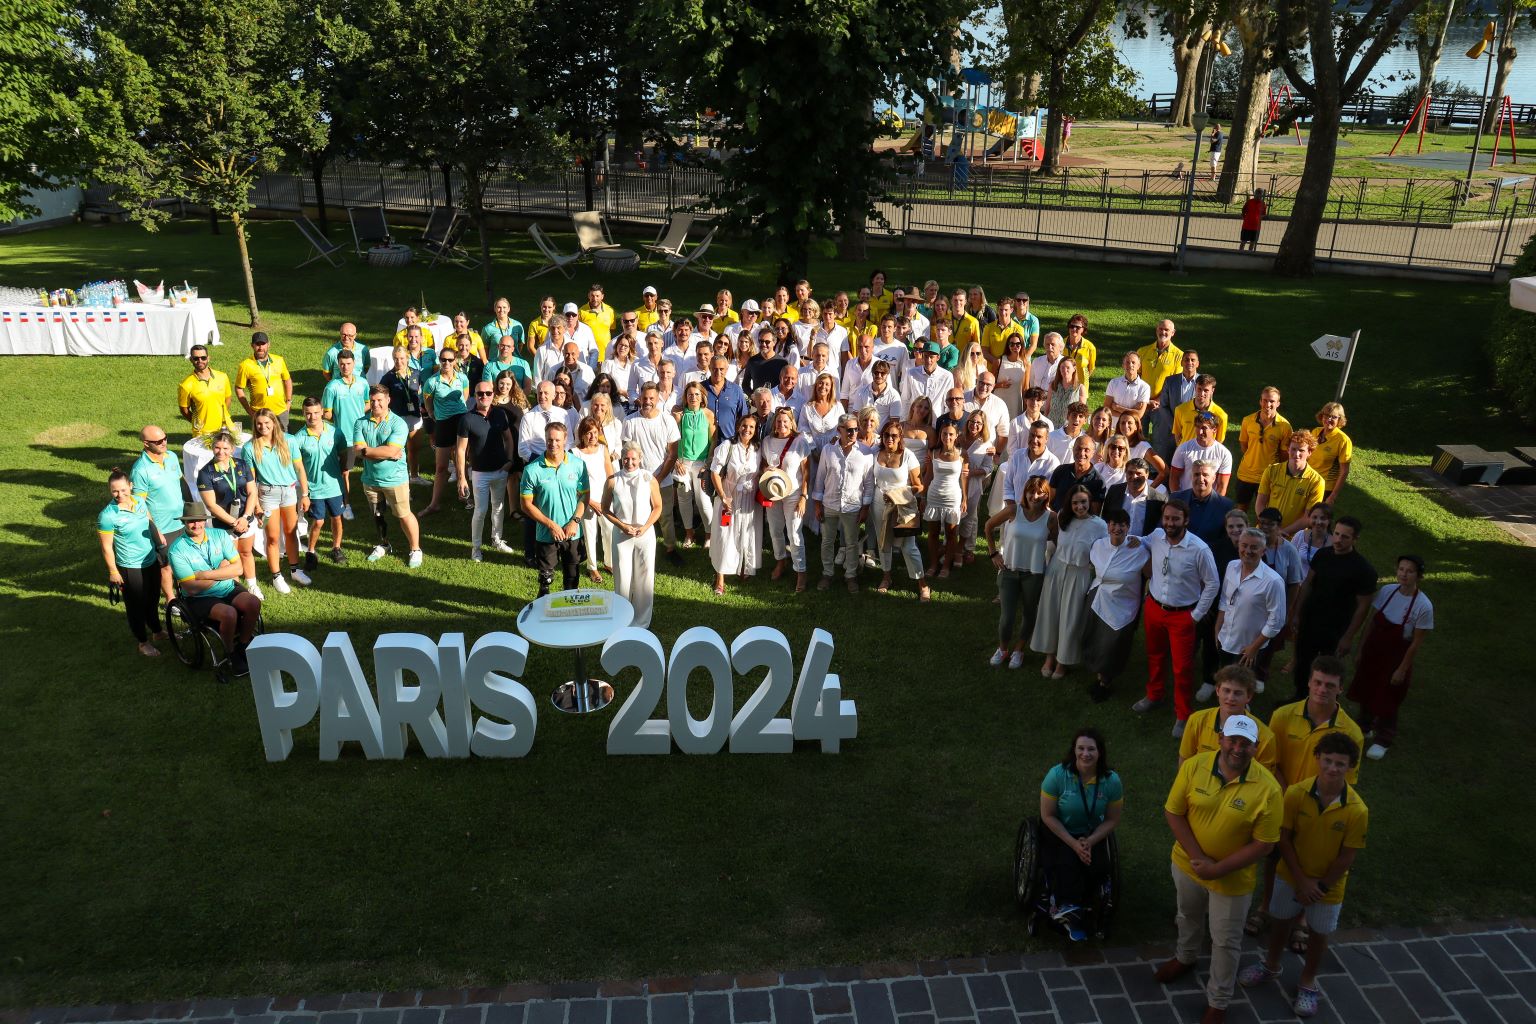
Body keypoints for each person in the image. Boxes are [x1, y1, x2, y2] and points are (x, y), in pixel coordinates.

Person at [1156, 713, 1282, 1024]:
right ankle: (1185, 958)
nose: (1238, 748)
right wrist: (1200, 859)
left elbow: (1264, 844)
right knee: (1187, 915)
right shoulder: (1193, 766)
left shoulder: (1269, 789)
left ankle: (1219, 1000)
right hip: (1188, 864)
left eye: (1246, 744)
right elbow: (1174, 812)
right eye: (1233, 740)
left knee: (1226, 940)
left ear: (1255, 748)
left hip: (1233, 879)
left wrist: (1218, 869)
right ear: (1220, 740)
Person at [1239, 732, 1367, 1019]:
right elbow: (1284, 839)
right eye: (1328, 761)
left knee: (1319, 935)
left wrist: (1318, 886)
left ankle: (1308, 981)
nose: (1333, 768)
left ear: (1350, 767)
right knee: (1280, 921)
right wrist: (1301, 879)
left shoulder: (1358, 810)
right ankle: (1271, 964)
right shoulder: (1296, 793)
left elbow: (1347, 855)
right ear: (1318, 759)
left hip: (1328, 888)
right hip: (1291, 875)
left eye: (1340, 763)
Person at [1134, 499, 1220, 737]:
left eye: (1175, 519)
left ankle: (1183, 715)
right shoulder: (1157, 536)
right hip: (1154, 607)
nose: (1170, 523)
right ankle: (1155, 694)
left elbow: (1213, 583)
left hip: (1183, 615)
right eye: (1167, 518)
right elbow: (1142, 541)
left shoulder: (1199, 549)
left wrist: (1196, 615)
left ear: (1186, 520)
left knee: (1182, 668)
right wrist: (1132, 540)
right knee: (1155, 655)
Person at [1038, 728, 1124, 941]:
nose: (1086, 754)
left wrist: (1090, 841)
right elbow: (1047, 816)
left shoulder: (1111, 781)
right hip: (1060, 830)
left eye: (1091, 749)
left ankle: (1087, 905)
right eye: (1081, 748)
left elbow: (1112, 819)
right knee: (1067, 862)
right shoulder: (1057, 775)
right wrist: (1074, 844)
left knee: (1099, 866)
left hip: (1091, 833)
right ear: (1074, 751)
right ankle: (1067, 908)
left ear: (1100, 753)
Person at [1346, 554, 1432, 760]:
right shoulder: (1387, 591)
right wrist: (1361, 650)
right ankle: (1364, 726)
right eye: (1401, 569)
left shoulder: (1423, 606)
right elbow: (1372, 623)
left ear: (1418, 576)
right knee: (1366, 689)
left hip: (1395, 659)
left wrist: (1402, 668)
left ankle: (1384, 737)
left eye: (1409, 571)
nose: (1404, 574)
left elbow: (1416, 642)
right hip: (1374, 652)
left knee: (1388, 698)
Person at [167, 501, 264, 673]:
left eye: (199, 520)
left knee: (253, 603)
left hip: (227, 587)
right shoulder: (176, 550)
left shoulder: (219, 535)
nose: (196, 524)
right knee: (229, 613)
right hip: (199, 598)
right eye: (191, 521)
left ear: (205, 520)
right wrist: (222, 571)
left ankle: (243, 643)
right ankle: (230, 653)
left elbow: (239, 568)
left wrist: (203, 575)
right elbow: (191, 588)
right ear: (184, 522)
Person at [1287, 516, 1375, 702]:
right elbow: (1308, 584)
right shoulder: (1323, 555)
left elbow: (1363, 606)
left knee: (1328, 669)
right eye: (1336, 534)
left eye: (1344, 537)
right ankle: (1299, 697)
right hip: (1310, 619)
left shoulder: (1363, 570)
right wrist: (1296, 614)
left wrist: (1348, 637)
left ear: (1355, 539)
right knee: (1303, 661)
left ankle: (1321, 703)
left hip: (1335, 627)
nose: (1338, 540)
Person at [1032, 484, 1108, 678]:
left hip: (1079, 572)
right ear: (1070, 504)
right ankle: (1049, 656)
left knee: (1070, 617)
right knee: (1051, 612)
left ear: (1089, 502)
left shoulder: (1099, 525)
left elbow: (1106, 549)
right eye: (1075, 503)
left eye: (1083, 502)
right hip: (1056, 568)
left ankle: (1062, 661)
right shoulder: (1062, 517)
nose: (1080, 506)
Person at [986, 475, 1056, 668]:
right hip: (1009, 570)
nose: (1035, 496)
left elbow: (1057, 543)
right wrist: (993, 553)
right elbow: (988, 526)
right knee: (1007, 616)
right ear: (1025, 492)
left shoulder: (1051, 518)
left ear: (1046, 495)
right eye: (1031, 491)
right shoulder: (1013, 510)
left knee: (1029, 613)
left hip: (1034, 574)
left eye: (1040, 492)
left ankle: (1019, 650)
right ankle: (1002, 649)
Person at [1082, 508, 1149, 701]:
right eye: (1113, 523)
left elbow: (1151, 574)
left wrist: (1142, 540)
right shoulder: (1099, 545)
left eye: (1122, 524)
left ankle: (1106, 681)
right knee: (1096, 639)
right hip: (1099, 598)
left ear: (1128, 527)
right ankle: (1099, 675)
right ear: (1107, 526)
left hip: (1123, 604)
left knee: (1113, 644)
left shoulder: (1139, 550)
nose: (1117, 528)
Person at [354, 384, 423, 568]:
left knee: (404, 515)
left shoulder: (398, 423)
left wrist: (369, 451)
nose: (376, 404)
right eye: (373, 401)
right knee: (377, 515)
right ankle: (384, 544)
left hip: (395, 480)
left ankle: (415, 549)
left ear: (388, 400)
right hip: (370, 480)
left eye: (380, 400)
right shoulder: (360, 422)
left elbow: (392, 450)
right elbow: (358, 450)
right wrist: (382, 452)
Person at [98, 468, 165, 657]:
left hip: (150, 560)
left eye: (123, 490)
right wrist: (113, 571)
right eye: (115, 491)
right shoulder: (108, 516)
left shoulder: (140, 501)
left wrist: (158, 534)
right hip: (130, 567)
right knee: (136, 606)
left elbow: (149, 520)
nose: (120, 495)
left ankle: (158, 632)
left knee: (152, 598)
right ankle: (143, 642)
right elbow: (106, 547)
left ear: (131, 486)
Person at [1210, 529, 1286, 694]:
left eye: (1254, 547)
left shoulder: (1273, 582)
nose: (1248, 551)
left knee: (1242, 685)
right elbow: (1225, 598)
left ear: (1263, 551)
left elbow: (1276, 621)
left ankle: (1242, 709)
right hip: (1226, 637)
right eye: (1244, 545)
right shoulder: (1232, 566)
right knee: (1226, 678)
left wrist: (1254, 647)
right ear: (1238, 546)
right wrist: (1218, 626)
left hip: (1247, 646)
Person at [243, 409, 311, 594]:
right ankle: (277, 576)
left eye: (267, 423)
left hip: (289, 492)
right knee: (272, 537)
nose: (263, 427)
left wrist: (305, 494)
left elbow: (299, 468)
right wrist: (256, 505)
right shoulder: (250, 448)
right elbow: (251, 481)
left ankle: (295, 569)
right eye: (259, 424)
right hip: (267, 495)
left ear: (274, 423)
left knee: (291, 532)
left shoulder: (289, 440)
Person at [521, 421, 590, 597]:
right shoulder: (532, 470)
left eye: (558, 440)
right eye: (550, 440)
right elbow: (526, 505)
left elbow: (584, 496)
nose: (553, 444)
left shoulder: (578, 465)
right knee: (545, 582)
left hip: (572, 532)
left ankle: (570, 616)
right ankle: (542, 618)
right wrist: (550, 525)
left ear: (565, 439)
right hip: (546, 533)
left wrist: (575, 522)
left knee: (572, 580)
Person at [600, 441, 662, 628]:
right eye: (626, 459)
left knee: (645, 579)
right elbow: (605, 509)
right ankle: (623, 620)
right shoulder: (612, 480)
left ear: (640, 459)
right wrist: (622, 525)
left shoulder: (649, 479)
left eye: (633, 459)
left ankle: (642, 622)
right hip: (621, 535)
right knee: (623, 580)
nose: (629, 462)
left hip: (645, 534)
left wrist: (645, 527)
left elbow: (658, 507)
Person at [457, 379, 517, 562]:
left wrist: (509, 461)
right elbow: (460, 450)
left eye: (488, 393)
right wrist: (461, 478)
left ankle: (496, 539)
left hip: (500, 471)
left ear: (493, 395)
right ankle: (476, 548)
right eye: (480, 394)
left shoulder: (500, 414)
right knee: (481, 510)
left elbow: (508, 439)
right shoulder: (467, 418)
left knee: (498, 507)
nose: (484, 397)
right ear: (474, 396)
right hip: (480, 473)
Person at [196, 430, 262, 597]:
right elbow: (211, 505)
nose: (221, 452)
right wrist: (235, 523)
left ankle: (253, 585)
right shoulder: (206, 473)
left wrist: (245, 518)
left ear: (232, 449)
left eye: (225, 448)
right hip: (225, 524)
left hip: (246, 519)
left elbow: (252, 492)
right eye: (217, 448)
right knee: (230, 560)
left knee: (247, 553)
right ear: (212, 448)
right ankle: (237, 592)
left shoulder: (241, 465)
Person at [623, 382, 682, 565]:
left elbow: (672, 454)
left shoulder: (667, 420)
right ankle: (636, 547)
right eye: (644, 398)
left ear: (658, 399)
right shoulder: (630, 421)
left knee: (665, 516)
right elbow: (627, 454)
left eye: (651, 398)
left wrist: (656, 480)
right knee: (637, 515)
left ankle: (670, 548)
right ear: (639, 398)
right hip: (636, 479)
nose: (647, 402)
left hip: (662, 479)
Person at [814, 414, 874, 592]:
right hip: (830, 503)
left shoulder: (865, 452)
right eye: (849, 430)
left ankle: (851, 575)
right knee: (827, 541)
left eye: (856, 429)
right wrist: (817, 504)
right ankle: (827, 573)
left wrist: (865, 507)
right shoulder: (828, 450)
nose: (853, 433)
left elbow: (868, 482)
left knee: (851, 542)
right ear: (839, 430)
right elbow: (820, 477)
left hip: (852, 505)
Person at [1181, 663, 1279, 772]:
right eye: (1226, 690)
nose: (1231, 698)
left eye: (1238, 693)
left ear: (1249, 696)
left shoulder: (1265, 737)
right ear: (1217, 690)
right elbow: (1185, 759)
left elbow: (1264, 779)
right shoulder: (1196, 720)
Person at [871, 418, 928, 600]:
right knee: (883, 542)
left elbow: (919, 486)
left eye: (894, 436)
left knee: (908, 546)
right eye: (886, 435)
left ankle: (923, 584)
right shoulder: (876, 453)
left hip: (903, 505)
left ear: (900, 437)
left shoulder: (908, 456)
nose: (890, 438)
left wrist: (900, 493)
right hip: (879, 503)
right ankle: (886, 577)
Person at [708, 412, 764, 595]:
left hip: (748, 500)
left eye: (751, 427)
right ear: (738, 426)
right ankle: (720, 578)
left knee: (745, 533)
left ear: (755, 431)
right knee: (725, 536)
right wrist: (724, 496)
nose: (747, 430)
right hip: (729, 498)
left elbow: (760, 469)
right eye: (744, 426)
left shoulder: (757, 449)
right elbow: (714, 473)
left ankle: (742, 567)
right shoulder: (728, 446)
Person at [131, 423, 185, 602]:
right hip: (162, 526)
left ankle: (185, 594)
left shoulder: (171, 457)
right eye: (158, 441)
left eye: (165, 438)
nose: (164, 442)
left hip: (182, 521)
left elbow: (180, 482)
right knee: (166, 566)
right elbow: (140, 504)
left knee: (183, 560)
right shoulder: (140, 470)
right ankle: (171, 600)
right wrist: (155, 530)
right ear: (146, 444)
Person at [292, 397, 346, 573]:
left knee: (337, 517)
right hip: (314, 488)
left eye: (316, 412)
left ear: (322, 412)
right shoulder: (298, 438)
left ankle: (336, 548)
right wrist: (304, 494)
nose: (312, 417)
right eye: (308, 413)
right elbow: (297, 467)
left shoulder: (335, 432)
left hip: (334, 486)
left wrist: (344, 474)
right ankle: (311, 551)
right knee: (319, 521)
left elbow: (344, 454)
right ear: (303, 414)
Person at [761, 406, 812, 592]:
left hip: (794, 493)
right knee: (775, 530)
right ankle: (780, 561)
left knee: (794, 533)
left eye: (786, 421)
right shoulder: (767, 441)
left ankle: (801, 571)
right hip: (773, 492)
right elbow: (764, 464)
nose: (782, 424)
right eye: (779, 421)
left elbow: (806, 472)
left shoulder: (799, 441)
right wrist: (766, 472)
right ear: (774, 424)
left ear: (792, 423)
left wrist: (804, 496)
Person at [420, 346, 470, 517]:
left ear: (455, 360)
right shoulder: (432, 382)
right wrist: (434, 414)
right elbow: (428, 403)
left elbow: (464, 397)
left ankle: (464, 495)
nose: (446, 363)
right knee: (441, 467)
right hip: (443, 424)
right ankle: (434, 504)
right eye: (443, 360)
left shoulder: (462, 378)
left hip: (461, 423)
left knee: (462, 461)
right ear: (439, 360)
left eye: (450, 359)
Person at [320, 348, 369, 516]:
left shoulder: (363, 383)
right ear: (338, 365)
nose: (345, 367)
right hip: (345, 438)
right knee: (345, 473)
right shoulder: (332, 387)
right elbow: (327, 413)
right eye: (342, 364)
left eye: (348, 364)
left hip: (364, 435)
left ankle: (379, 500)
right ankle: (346, 505)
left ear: (354, 364)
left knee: (373, 465)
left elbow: (368, 403)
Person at [672, 381, 717, 550]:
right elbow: (671, 441)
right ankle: (689, 533)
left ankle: (709, 534)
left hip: (702, 463)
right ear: (685, 397)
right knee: (684, 498)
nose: (693, 397)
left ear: (702, 397)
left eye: (697, 394)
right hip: (683, 463)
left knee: (703, 501)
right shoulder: (679, 415)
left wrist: (709, 461)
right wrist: (676, 461)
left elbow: (713, 440)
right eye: (690, 394)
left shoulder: (708, 414)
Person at [1254, 432, 1325, 536]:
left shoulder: (1316, 481)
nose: (1296, 454)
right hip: (1265, 532)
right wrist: (1268, 526)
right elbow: (1260, 503)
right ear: (1288, 449)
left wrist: (1283, 532)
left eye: (1301, 450)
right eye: (1293, 449)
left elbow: (1308, 517)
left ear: (1309, 452)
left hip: (1293, 539)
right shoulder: (1271, 470)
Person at [922, 420, 968, 580]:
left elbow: (964, 477)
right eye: (944, 433)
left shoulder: (962, 454)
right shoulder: (933, 453)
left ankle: (946, 566)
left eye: (950, 434)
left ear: (956, 436)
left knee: (950, 533)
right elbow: (928, 475)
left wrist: (965, 499)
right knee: (933, 532)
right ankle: (934, 564)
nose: (947, 437)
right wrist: (923, 496)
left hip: (953, 498)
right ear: (940, 434)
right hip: (934, 496)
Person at [380, 345, 428, 482]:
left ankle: (414, 476)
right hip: (397, 417)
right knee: (396, 450)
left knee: (414, 448)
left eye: (401, 358)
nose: (398, 362)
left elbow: (423, 390)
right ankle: (397, 478)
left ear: (407, 358)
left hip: (414, 414)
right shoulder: (388, 378)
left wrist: (423, 405)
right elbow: (382, 397)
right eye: (395, 359)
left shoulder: (416, 373)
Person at [236, 332, 294, 430]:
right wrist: (250, 411)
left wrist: (288, 402)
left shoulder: (279, 360)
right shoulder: (245, 365)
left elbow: (287, 380)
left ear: (268, 344)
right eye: (257, 344)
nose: (260, 347)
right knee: (262, 442)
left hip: (280, 411)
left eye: (263, 344)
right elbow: (239, 388)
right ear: (252, 345)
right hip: (259, 412)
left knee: (283, 440)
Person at [178, 344, 237, 438]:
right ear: (191, 360)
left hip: (226, 427)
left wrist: (222, 414)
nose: (200, 361)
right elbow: (184, 410)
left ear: (208, 358)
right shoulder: (186, 385)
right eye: (196, 358)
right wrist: (197, 422)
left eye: (203, 358)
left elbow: (228, 398)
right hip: (203, 433)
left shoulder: (222, 377)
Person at [1102, 457, 1165, 539]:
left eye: (1139, 473)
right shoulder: (1114, 491)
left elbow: (1159, 530)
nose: (1134, 477)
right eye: (1130, 473)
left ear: (1147, 475)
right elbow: (1105, 518)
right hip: (1115, 544)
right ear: (1125, 473)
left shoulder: (1158, 500)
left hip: (1143, 547)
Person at [1173, 462, 1235, 545]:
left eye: (1205, 475)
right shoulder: (1176, 498)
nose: (1201, 479)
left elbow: (1227, 540)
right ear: (1191, 477)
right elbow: (1163, 528)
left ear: (1213, 478)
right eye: (1196, 474)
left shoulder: (1226, 506)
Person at [1171, 411, 1233, 495]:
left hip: (1210, 502)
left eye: (1204, 428)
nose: (1200, 432)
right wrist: (1178, 500)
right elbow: (1174, 478)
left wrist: (1215, 505)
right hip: (1186, 501)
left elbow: (1222, 486)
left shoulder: (1224, 454)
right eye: (1197, 427)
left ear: (1214, 429)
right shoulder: (1183, 449)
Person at [1308, 402, 1353, 505]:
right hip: (1307, 481)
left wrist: (1333, 496)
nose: (1328, 419)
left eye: (1333, 417)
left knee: (1315, 519)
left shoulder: (1343, 440)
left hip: (1325, 488)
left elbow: (1344, 471)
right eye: (1326, 415)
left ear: (1339, 420)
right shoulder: (1315, 432)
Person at [1048, 435, 1106, 514]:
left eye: (1086, 450)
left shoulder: (1098, 481)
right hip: (1057, 523)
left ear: (1093, 453)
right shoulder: (1060, 471)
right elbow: (1050, 502)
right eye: (1078, 448)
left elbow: (1094, 515)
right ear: (1073, 450)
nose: (1082, 453)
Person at [1103, 352, 1150, 422]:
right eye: (1127, 362)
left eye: (1133, 362)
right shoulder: (1113, 383)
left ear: (1138, 366)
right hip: (1112, 427)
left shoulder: (1144, 387)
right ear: (1123, 365)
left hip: (1131, 429)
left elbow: (1139, 414)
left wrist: (1117, 408)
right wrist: (1131, 412)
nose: (1130, 365)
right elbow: (1106, 409)